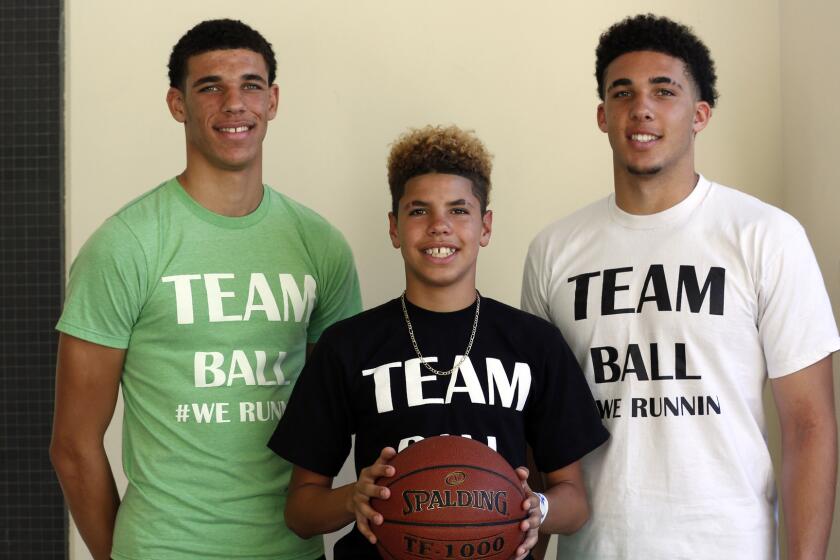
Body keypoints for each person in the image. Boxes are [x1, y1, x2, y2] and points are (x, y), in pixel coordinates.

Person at [522, 13, 839, 560]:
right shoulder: (553, 251)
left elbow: (809, 425)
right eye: (623, 93)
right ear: (603, 116)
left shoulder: (765, 236)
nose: (641, 107)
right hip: (596, 547)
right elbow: (537, 432)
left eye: (663, 91)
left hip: (730, 545)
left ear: (700, 114)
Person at [49, 19, 361, 560]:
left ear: (274, 101)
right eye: (210, 86)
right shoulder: (126, 245)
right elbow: (73, 446)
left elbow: (334, 415)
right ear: (178, 104)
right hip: (164, 547)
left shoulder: (320, 245)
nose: (234, 103)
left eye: (251, 85)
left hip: (290, 550)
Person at [268, 124, 609, 559]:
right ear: (394, 228)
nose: (439, 227)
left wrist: (535, 508)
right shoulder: (348, 346)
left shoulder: (535, 343)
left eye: (459, 210)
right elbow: (301, 510)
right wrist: (354, 497)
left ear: (485, 226)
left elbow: (574, 502)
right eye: (418, 211)